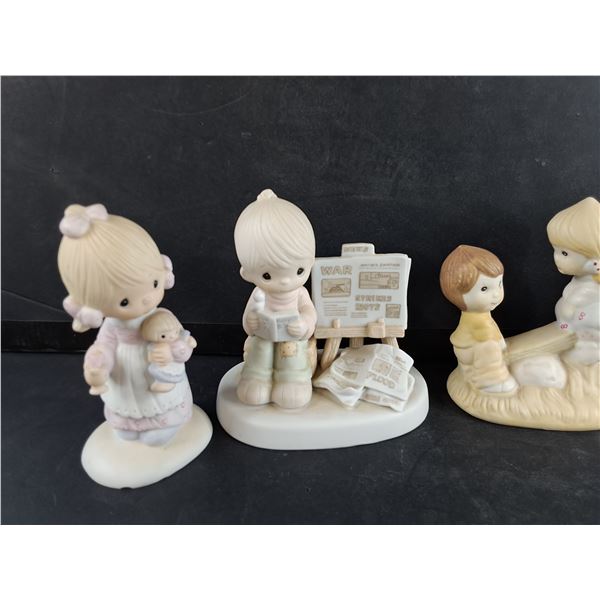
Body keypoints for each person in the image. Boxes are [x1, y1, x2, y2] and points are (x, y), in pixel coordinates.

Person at [58, 204, 194, 446]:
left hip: (155, 372)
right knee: (125, 430)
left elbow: (181, 341)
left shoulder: (161, 317)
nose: (146, 299)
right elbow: (105, 344)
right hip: (125, 373)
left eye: (154, 283)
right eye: (124, 301)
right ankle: (130, 425)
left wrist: (173, 352)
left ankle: (168, 422)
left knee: (158, 427)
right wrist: (100, 361)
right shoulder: (112, 326)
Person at [234, 189, 317, 409]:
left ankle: (293, 381)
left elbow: (309, 312)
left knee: (292, 355)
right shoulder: (259, 294)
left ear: (311, 262)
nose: (286, 281)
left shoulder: (300, 293)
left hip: (291, 340)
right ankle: (257, 379)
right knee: (259, 350)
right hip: (264, 339)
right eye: (267, 275)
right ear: (247, 274)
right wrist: (251, 321)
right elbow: (248, 320)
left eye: (299, 271)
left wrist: (304, 324)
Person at [440, 244, 518, 393]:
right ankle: (490, 382)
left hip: (470, 349)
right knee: (489, 348)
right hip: (469, 350)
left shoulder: (482, 314)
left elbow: (492, 329)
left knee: (491, 348)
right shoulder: (475, 320)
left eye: (499, 284)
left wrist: (501, 343)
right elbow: (487, 336)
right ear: (458, 296)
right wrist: (499, 345)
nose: (496, 294)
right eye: (484, 289)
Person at [547, 196, 600, 365]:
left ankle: (591, 352)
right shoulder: (581, 279)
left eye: (564, 253)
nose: (556, 258)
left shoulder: (593, 284)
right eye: (555, 250)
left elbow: (580, 300)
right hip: (569, 329)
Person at [140, 308, 197, 393]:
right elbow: (150, 356)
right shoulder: (158, 345)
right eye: (163, 336)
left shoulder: (180, 339)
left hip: (177, 362)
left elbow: (189, 342)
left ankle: (169, 382)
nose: (171, 336)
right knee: (160, 372)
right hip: (166, 364)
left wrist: (191, 342)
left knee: (175, 372)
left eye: (175, 332)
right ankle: (164, 382)